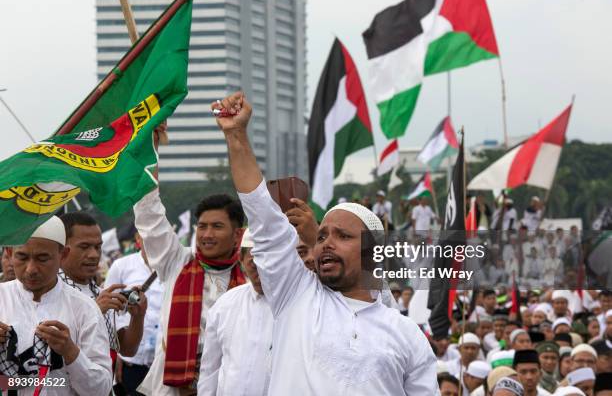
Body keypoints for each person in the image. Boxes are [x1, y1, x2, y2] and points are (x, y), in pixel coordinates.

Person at [214, 92, 438, 394]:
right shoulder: (296, 294)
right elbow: (263, 214)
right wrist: (236, 135)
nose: (326, 243)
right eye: (321, 237)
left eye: (343, 236)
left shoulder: (406, 334)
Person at [133, 183, 247, 395]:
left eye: (217, 226)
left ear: (238, 235)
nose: (207, 234)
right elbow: (149, 216)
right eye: (202, 226)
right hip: (172, 386)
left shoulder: (250, 277)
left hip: (228, 383)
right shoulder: (178, 260)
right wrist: (150, 159)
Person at [0, 216, 112, 395]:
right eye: (22, 257)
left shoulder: (84, 308)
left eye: (42, 258)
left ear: (63, 255)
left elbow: (101, 389)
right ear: (9, 252)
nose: (31, 269)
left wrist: (70, 352)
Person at [59, 213, 147, 363]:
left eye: (98, 247)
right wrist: (94, 311)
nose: (94, 255)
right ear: (62, 249)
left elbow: (126, 349)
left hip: (103, 385)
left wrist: (138, 317)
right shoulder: (49, 291)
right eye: (84, 247)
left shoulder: (100, 294)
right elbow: (52, 349)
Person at [198, 229, 273, 396]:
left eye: (267, 263)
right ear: (241, 259)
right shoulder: (225, 305)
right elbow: (210, 371)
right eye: (254, 263)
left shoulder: (293, 306)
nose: (261, 272)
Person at [104, 231, 164, 396]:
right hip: (131, 363)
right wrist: (115, 354)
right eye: (147, 237)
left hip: (165, 364)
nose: (153, 242)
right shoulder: (121, 266)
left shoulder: (174, 267)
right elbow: (109, 312)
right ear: (138, 239)